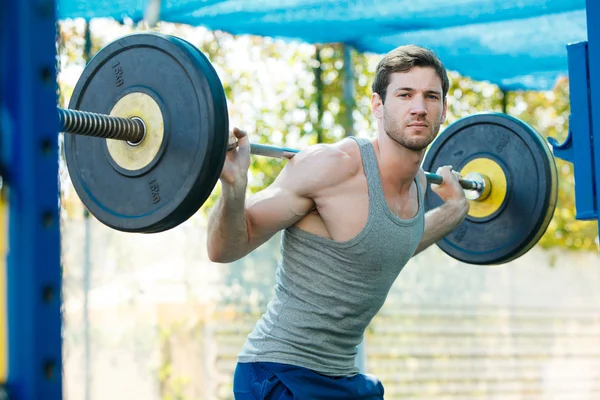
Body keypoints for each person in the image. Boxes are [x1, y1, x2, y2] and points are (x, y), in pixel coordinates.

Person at [207, 45, 469, 399]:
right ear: (378, 105)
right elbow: (224, 248)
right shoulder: (331, 167)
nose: (419, 108)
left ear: (444, 109)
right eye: (405, 94)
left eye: (430, 96)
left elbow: (392, 244)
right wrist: (234, 187)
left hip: (340, 376)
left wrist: (454, 210)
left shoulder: (419, 187)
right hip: (279, 373)